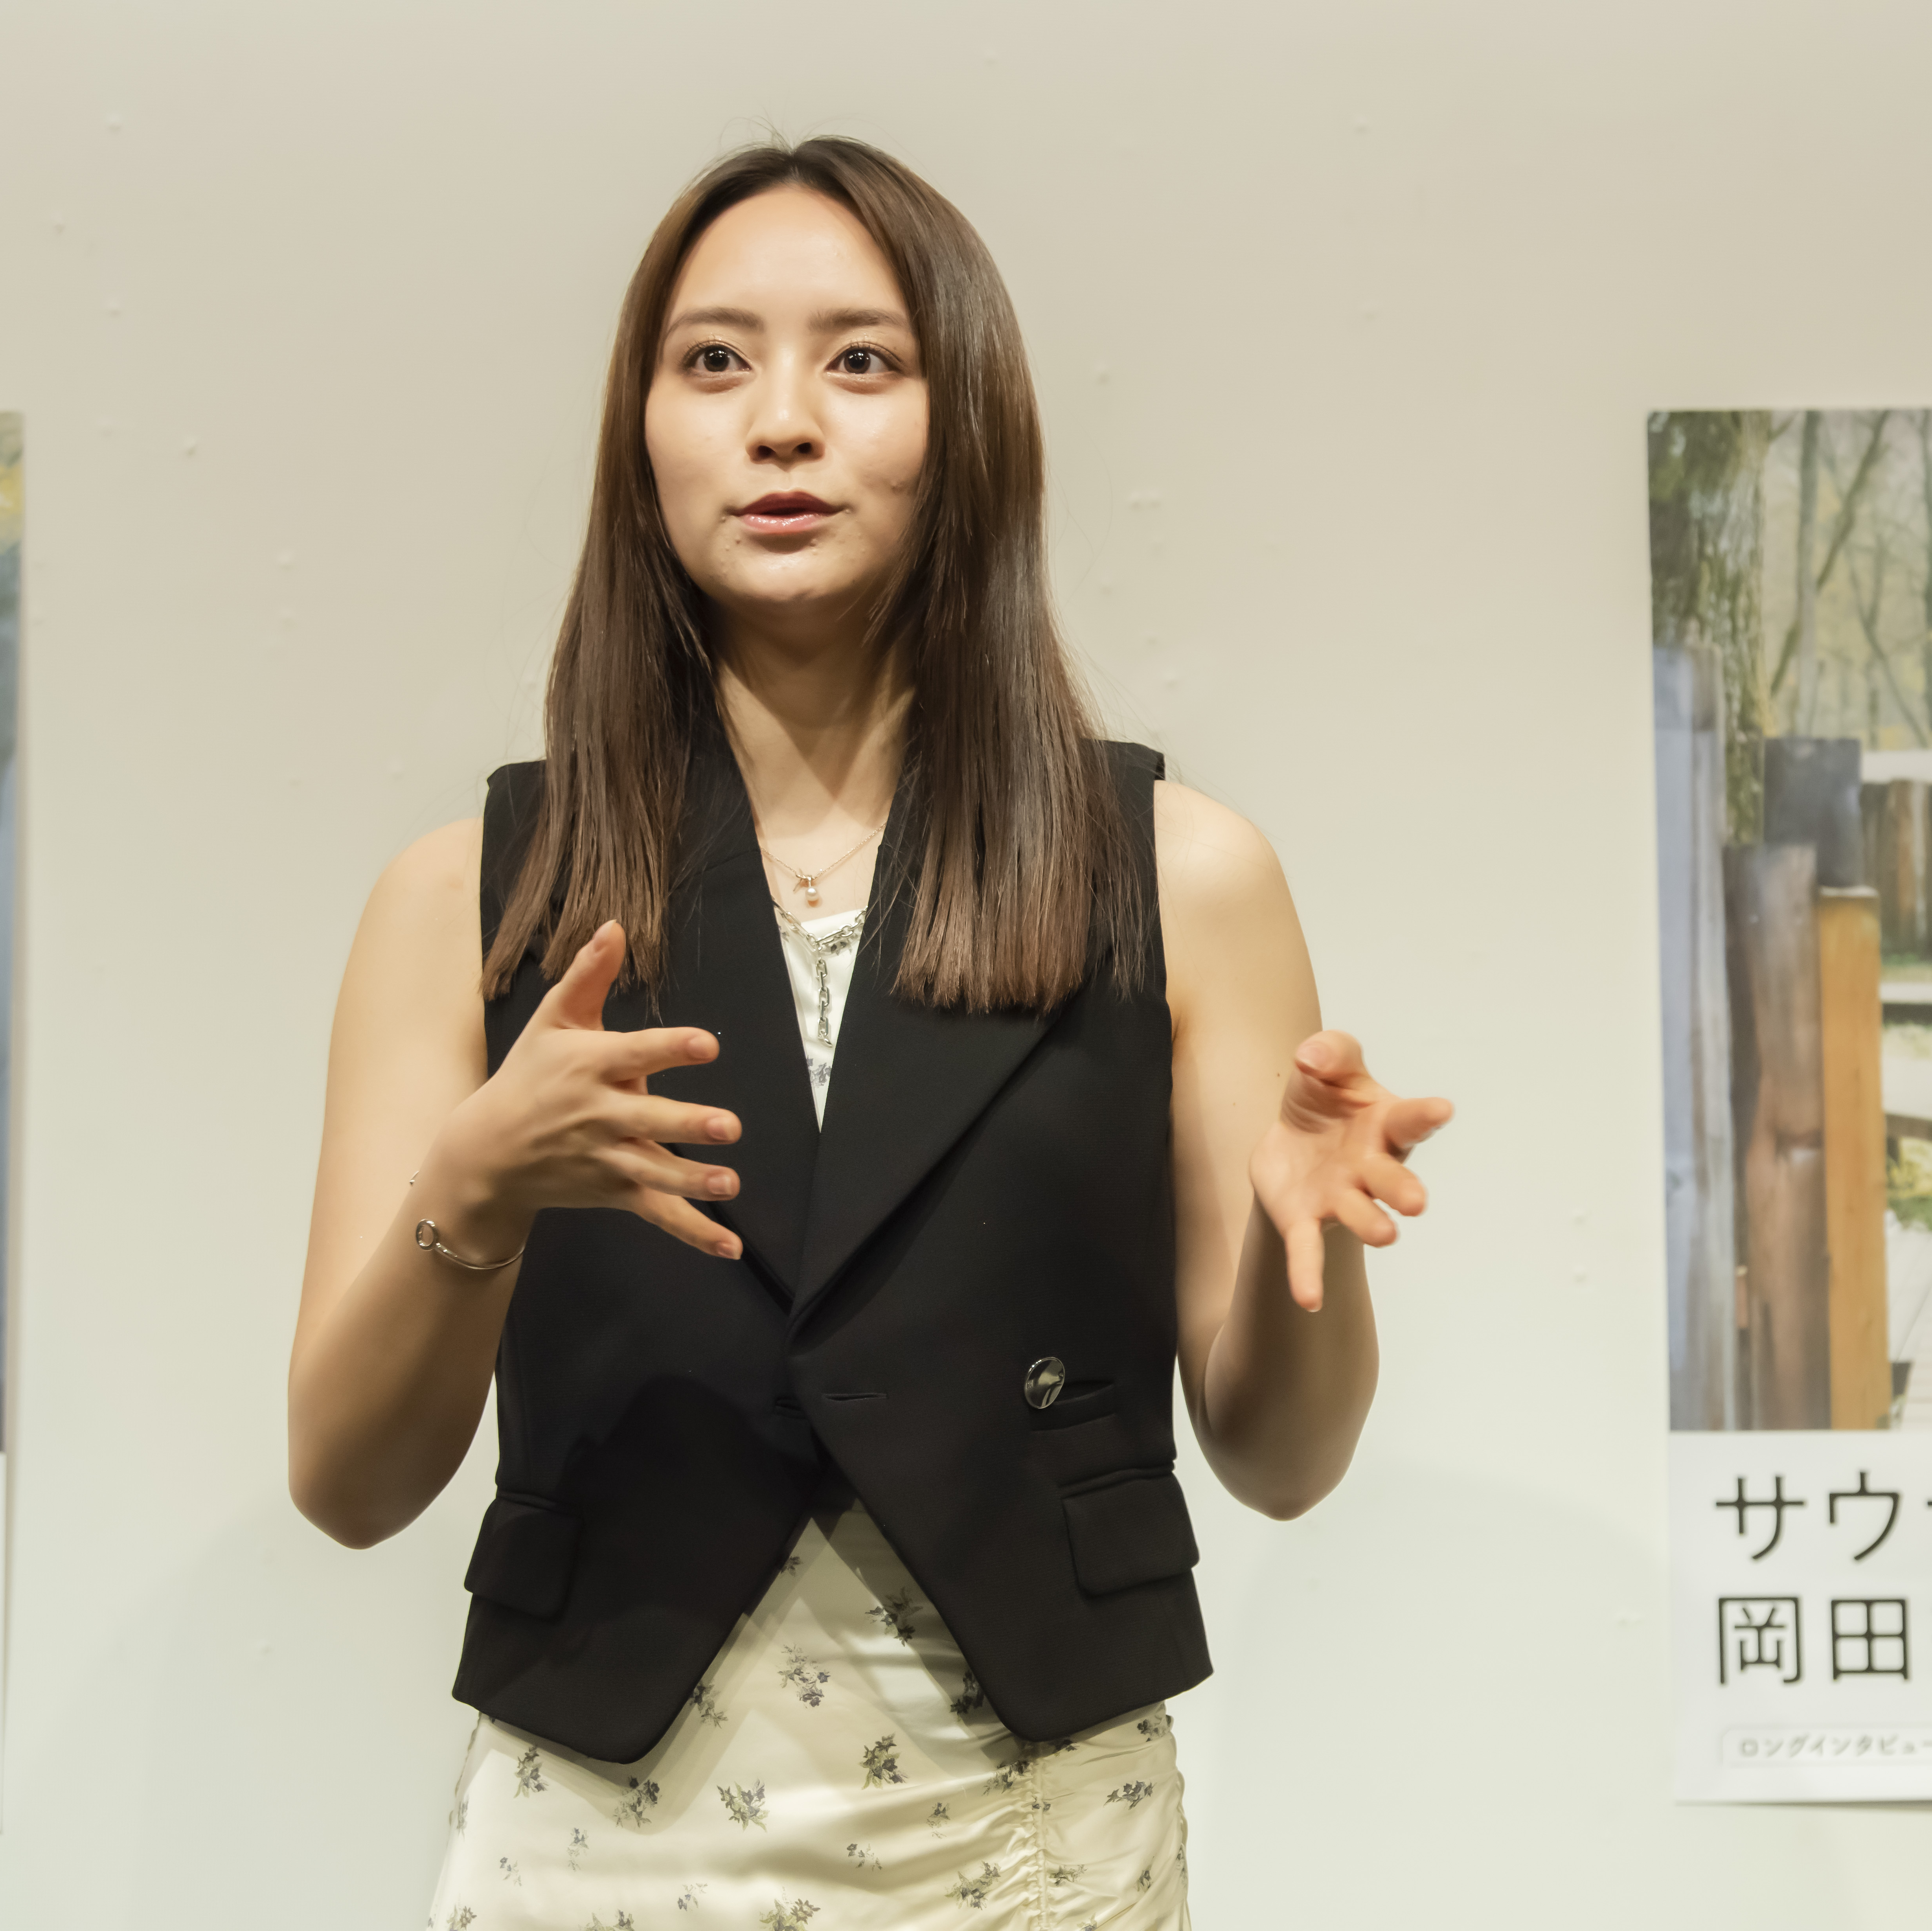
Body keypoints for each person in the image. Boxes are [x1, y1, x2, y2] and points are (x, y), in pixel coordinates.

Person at [285, 137, 1450, 1929]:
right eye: (713, 360)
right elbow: (347, 1483)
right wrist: (474, 1194)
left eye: (860, 360)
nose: (781, 423)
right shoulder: (470, 894)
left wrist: (1318, 1257)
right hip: (597, 1853)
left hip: (1037, 1855)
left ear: (963, 419)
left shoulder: (1178, 873)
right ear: (640, 432)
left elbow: (1283, 1460)